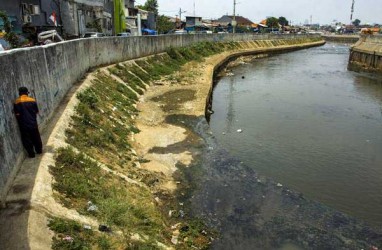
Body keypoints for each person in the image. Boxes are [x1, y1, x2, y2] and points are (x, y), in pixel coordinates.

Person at [14, 87, 43, 158]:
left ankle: (31, 154)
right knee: (36, 137)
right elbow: (36, 111)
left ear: (19, 93)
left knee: (27, 139)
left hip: (23, 125)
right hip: (33, 123)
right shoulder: (32, 100)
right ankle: (39, 151)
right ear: (27, 93)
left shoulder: (17, 102)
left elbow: (17, 114)